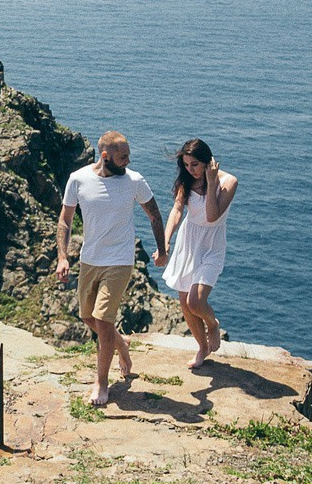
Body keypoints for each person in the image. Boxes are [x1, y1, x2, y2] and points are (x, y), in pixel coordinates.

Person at [56, 131, 168, 407]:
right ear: (105, 156)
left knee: (104, 321)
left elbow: (154, 215)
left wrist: (163, 250)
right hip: (89, 260)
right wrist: (62, 257)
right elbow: (65, 221)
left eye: (129, 155)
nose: (128, 161)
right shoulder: (79, 179)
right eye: (123, 157)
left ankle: (101, 383)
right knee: (88, 317)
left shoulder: (134, 181)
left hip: (120, 260)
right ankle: (121, 344)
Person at [162, 137, 238, 370]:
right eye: (186, 165)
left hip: (211, 245)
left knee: (196, 301)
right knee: (185, 303)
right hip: (189, 242)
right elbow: (177, 210)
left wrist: (212, 181)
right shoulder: (187, 181)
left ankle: (212, 324)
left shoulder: (229, 181)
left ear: (207, 160)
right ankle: (202, 347)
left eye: (194, 164)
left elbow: (212, 216)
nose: (190, 169)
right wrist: (165, 242)